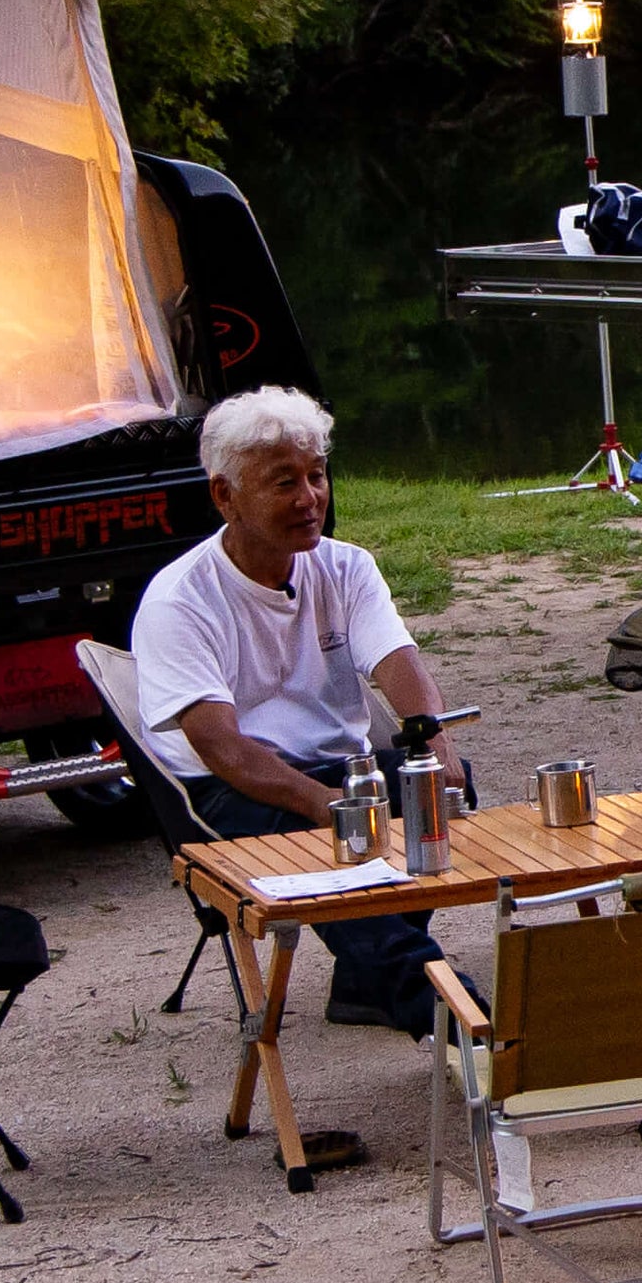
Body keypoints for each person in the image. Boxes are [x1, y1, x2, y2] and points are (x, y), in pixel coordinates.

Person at [132, 386, 455, 1032]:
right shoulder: (181, 601)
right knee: (336, 867)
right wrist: (323, 807)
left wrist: (435, 748)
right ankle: (463, 1023)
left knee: (429, 790)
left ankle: (365, 984)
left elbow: (398, 664)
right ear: (224, 495)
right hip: (224, 792)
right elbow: (221, 748)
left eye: (316, 476)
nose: (309, 498)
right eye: (284, 483)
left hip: (336, 768)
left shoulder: (345, 568)